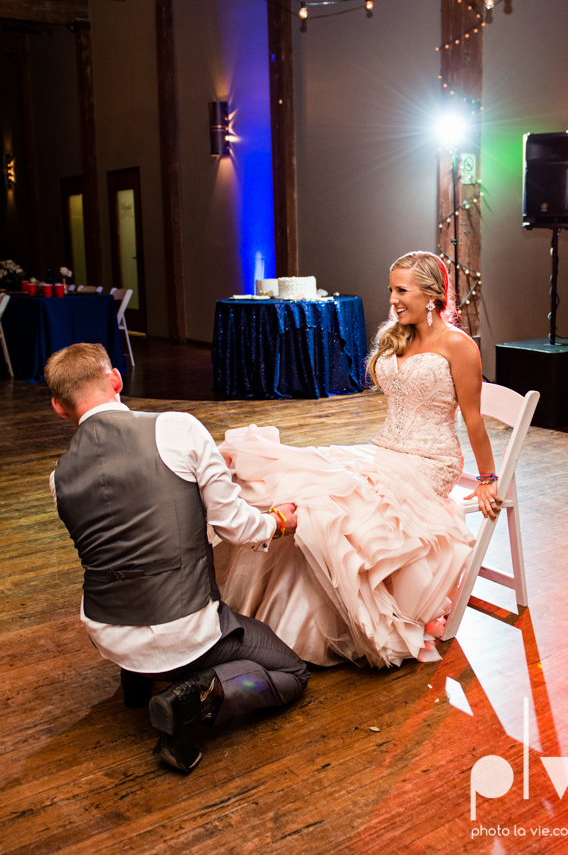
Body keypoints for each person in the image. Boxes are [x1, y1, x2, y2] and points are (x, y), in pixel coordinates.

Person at [214, 252, 501, 668]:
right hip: (384, 449)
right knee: (310, 489)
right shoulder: (396, 334)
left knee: (338, 508)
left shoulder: (458, 345)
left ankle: (341, 624)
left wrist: (488, 477)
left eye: (402, 291)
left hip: (429, 461)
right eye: (391, 290)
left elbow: (473, 420)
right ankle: (287, 624)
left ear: (432, 295)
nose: (393, 300)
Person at [44, 343, 310, 773]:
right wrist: (278, 521)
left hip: (106, 628)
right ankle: (194, 697)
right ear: (116, 380)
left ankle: (136, 680)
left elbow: (132, 528)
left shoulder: (60, 477)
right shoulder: (177, 429)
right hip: (183, 627)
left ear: (59, 407)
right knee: (292, 674)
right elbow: (236, 527)